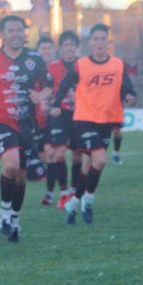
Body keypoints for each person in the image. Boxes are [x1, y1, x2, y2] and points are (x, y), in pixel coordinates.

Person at [0, 15, 52, 243]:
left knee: (20, 177)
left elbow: (49, 87)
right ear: (2, 34)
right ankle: (4, 212)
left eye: (20, 30)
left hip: (26, 124)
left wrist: (40, 95)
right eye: (12, 30)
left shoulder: (34, 59)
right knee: (11, 165)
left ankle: (15, 220)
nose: (17, 34)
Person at [51, 23, 136, 224]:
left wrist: (130, 96)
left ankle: (73, 203)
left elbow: (127, 89)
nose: (99, 42)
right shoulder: (81, 65)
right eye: (95, 39)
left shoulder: (117, 64)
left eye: (102, 39)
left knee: (90, 164)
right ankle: (88, 199)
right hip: (84, 119)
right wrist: (56, 104)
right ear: (90, 43)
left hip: (107, 120)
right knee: (100, 159)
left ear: (108, 42)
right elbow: (64, 84)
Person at [46, 30, 82, 209]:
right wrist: (48, 103)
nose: (69, 48)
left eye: (72, 45)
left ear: (77, 48)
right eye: (66, 45)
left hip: (79, 115)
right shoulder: (52, 67)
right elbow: (45, 87)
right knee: (59, 153)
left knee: (77, 156)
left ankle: (75, 190)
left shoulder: (84, 65)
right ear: (61, 48)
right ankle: (64, 193)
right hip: (59, 115)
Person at [35, 36, 57, 205]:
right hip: (35, 119)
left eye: (49, 48)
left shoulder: (58, 69)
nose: (46, 51)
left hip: (54, 118)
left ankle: (51, 193)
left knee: (51, 154)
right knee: (43, 156)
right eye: (43, 48)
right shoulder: (32, 70)